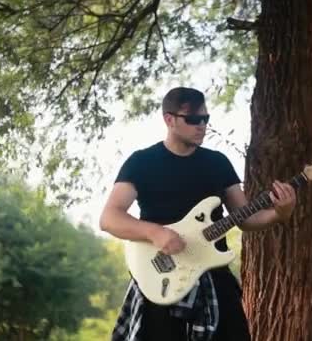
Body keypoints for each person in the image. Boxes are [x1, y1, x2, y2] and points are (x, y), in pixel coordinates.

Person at [100, 87, 297, 341]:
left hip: (213, 278)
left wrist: (279, 214)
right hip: (161, 279)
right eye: (193, 119)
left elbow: (245, 218)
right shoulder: (142, 162)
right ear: (169, 120)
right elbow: (109, 218)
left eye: (205, 119)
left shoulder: (217, 163)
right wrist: (155, 232)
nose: (201, 125)